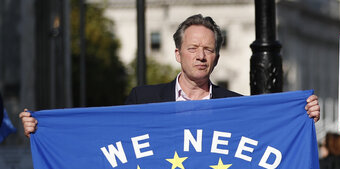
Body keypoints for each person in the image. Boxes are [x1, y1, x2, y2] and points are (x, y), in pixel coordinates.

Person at [19, 14, 320, 137]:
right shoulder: (143, 99)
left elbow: (272, 133)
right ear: (178, 54)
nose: (201, 56)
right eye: (193, 48)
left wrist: (301, 113)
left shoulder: (235, 106)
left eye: (208, 49)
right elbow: (104, 134)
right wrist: (44, 128)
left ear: (217, 57)